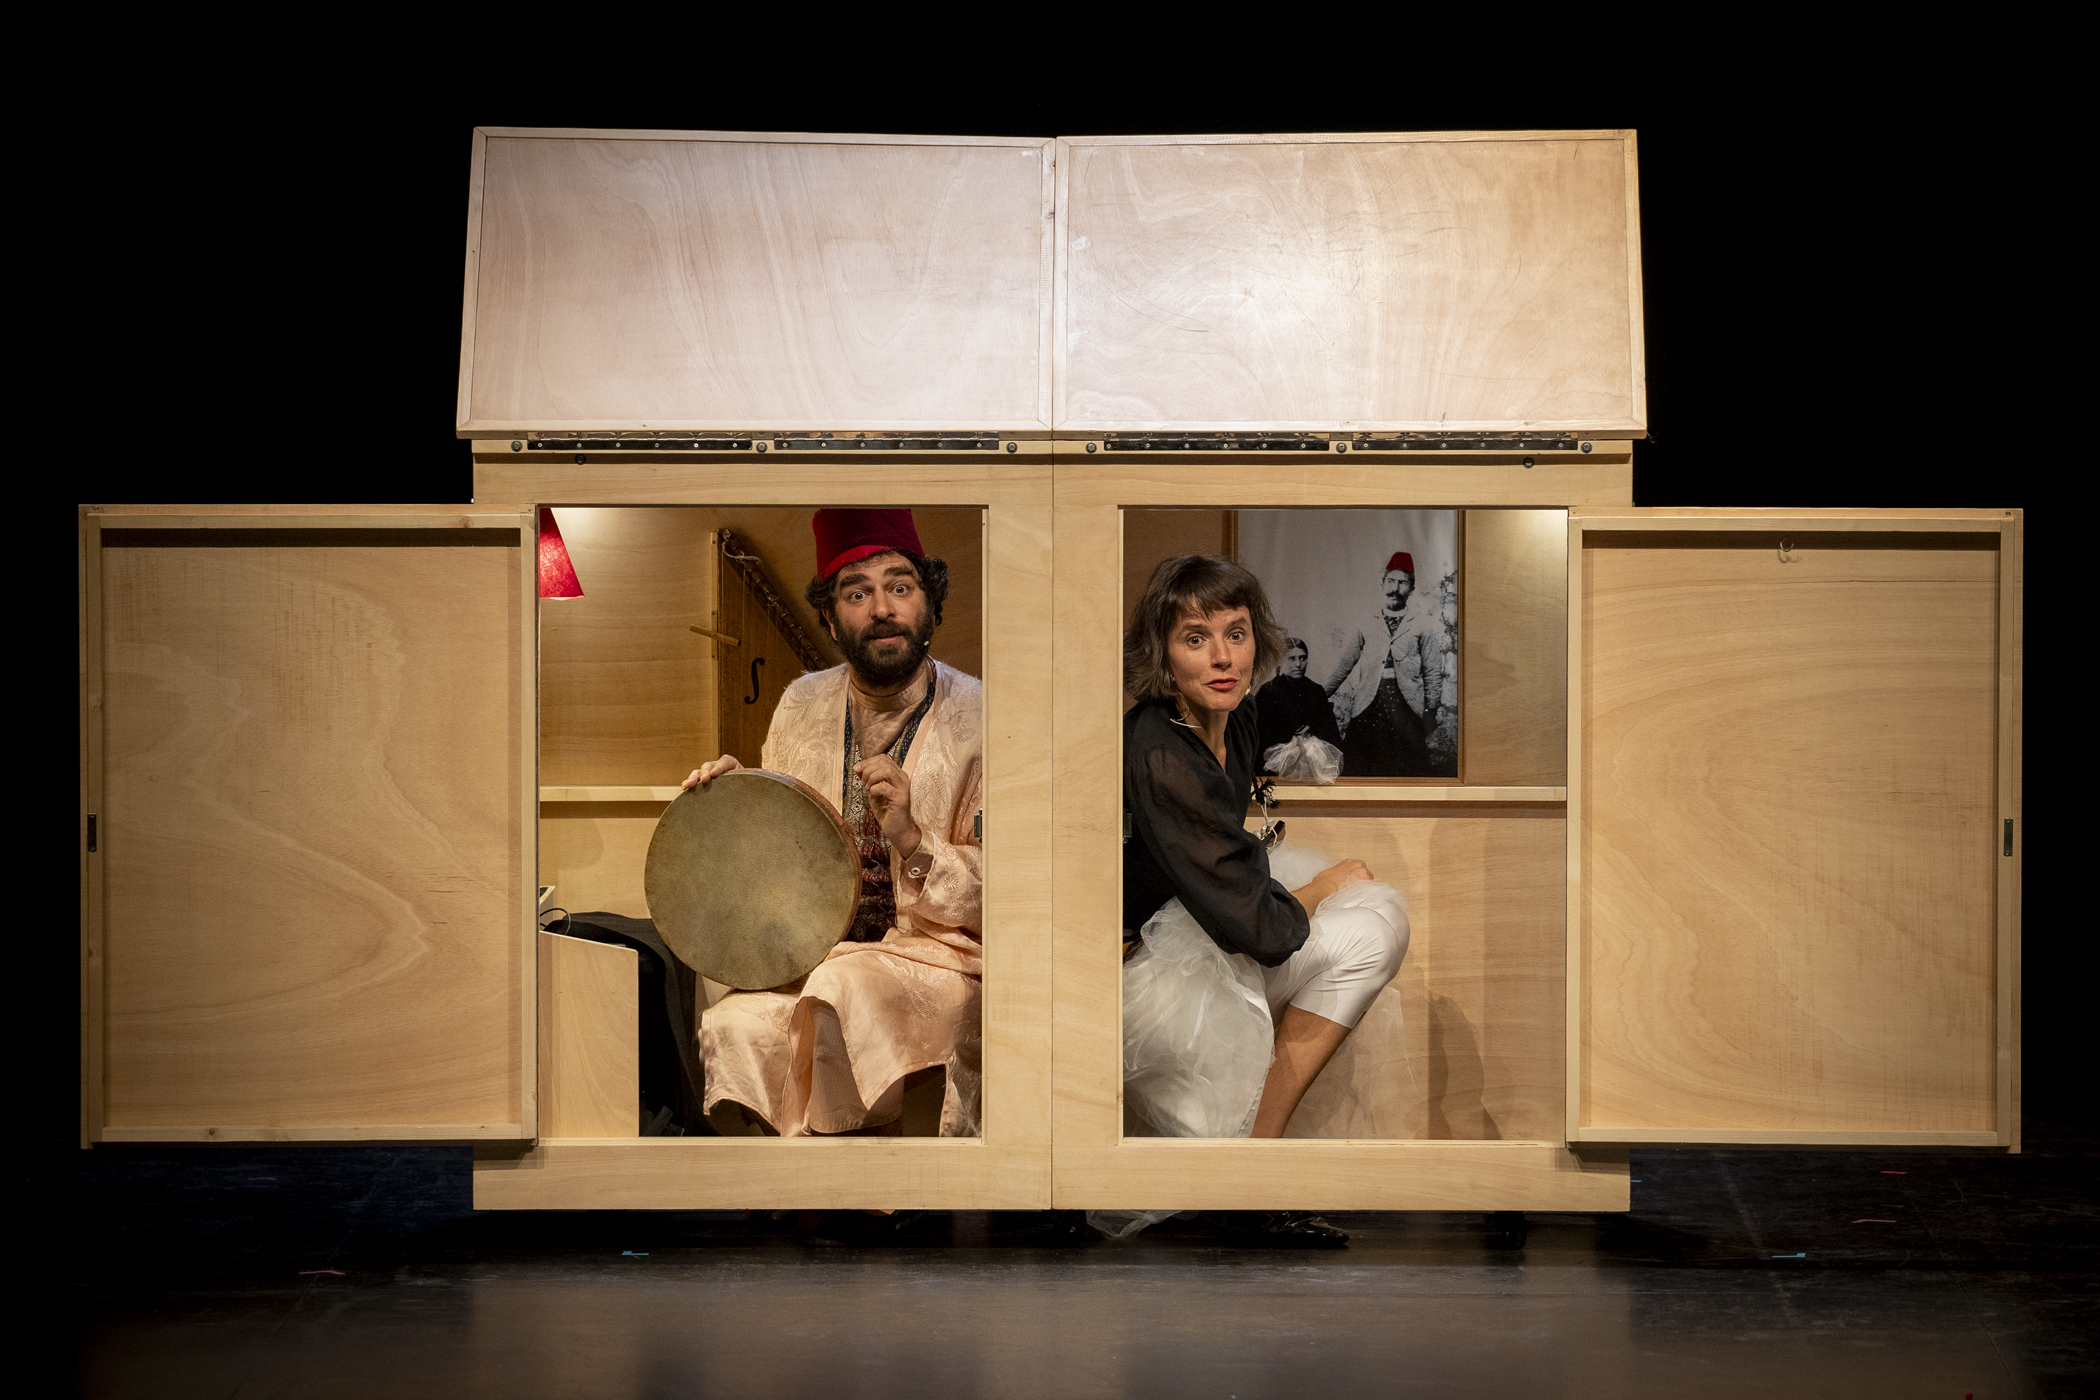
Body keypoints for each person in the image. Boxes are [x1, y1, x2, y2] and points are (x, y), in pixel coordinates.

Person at [1119, 555, 1410, 1240]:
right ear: (1162, 651)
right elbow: (1263, 930)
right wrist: (1322, 885)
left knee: (1378, 911)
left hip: (1193, 934)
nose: (1223, 657)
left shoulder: (1236, 714)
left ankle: (1253, 1162)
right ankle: (1248, 1171)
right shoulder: (1161, 750)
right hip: (1135, 976)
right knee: (1368, 929)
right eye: (1195, 639)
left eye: (1237, 633)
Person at [683, 509, 983, 1137]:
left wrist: (912, 840)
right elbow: (775, 860)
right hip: (809, 953)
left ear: (930, 602)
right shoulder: (801, 702)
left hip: (937, 956)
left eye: (900, 586)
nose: (883, 608)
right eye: (857, 593)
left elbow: (1012, 889)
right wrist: (736, 802)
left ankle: (857, 1182)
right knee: (734, 1022)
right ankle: (788, 1177)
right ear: (829, 617)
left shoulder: (984, 715)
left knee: (842, 989)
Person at [1323, 551, 1452, 777]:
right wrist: (1319, 695)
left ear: (1411, 589)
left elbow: (1432, 672)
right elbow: (1345, 665)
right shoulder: (1366, 622)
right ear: (1382, 584)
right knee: (1361, 770)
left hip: (1407, 710)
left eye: (1403, 583)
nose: (1395, 588)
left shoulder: (1422, 625)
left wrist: (1430, 709)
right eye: (1391, 581)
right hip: (1368, 706)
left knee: (1408, 771)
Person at [1253, 636, 1343, 772]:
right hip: (1274, 762)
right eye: (1291, 659)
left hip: (1313, 760)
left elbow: (1330, 732)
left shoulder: (1316, 691)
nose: (1298, 664)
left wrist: (1308, 738)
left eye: (1302, 658)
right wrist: (1292, 739)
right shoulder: (1268, 691)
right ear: (1280, 661)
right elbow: (1259, 733)